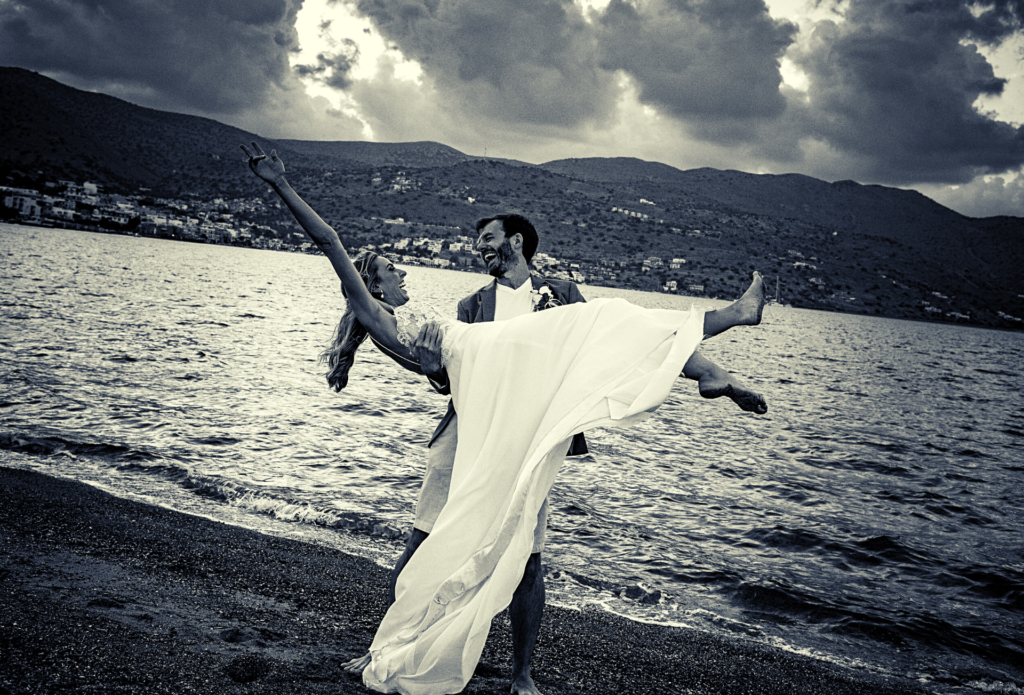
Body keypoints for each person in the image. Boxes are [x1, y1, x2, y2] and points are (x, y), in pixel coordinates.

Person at [241, 142, 768, 694]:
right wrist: (279, 184)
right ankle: (729, 321)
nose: (402, 275)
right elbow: (330, 243)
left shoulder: (531, 296)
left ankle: (714, 362)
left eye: (487, 239)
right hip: (474, 364)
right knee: (604, 323)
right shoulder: (396, 311)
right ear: (370, 285)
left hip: (494, 374)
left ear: (516, 243)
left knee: (604, 325)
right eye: (391, 270)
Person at [379, 212, 588, 695]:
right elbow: (449, 381)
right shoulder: (470, 305)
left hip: (526, 445)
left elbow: (586, 355)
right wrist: (433, 369)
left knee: (528, 560)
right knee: (422, 542)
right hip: (463, 436)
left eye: (489, 238)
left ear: (517, 241)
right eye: (478, 241)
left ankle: (522, 676)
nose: (480, 247)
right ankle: (384, 648)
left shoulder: (563, 295)